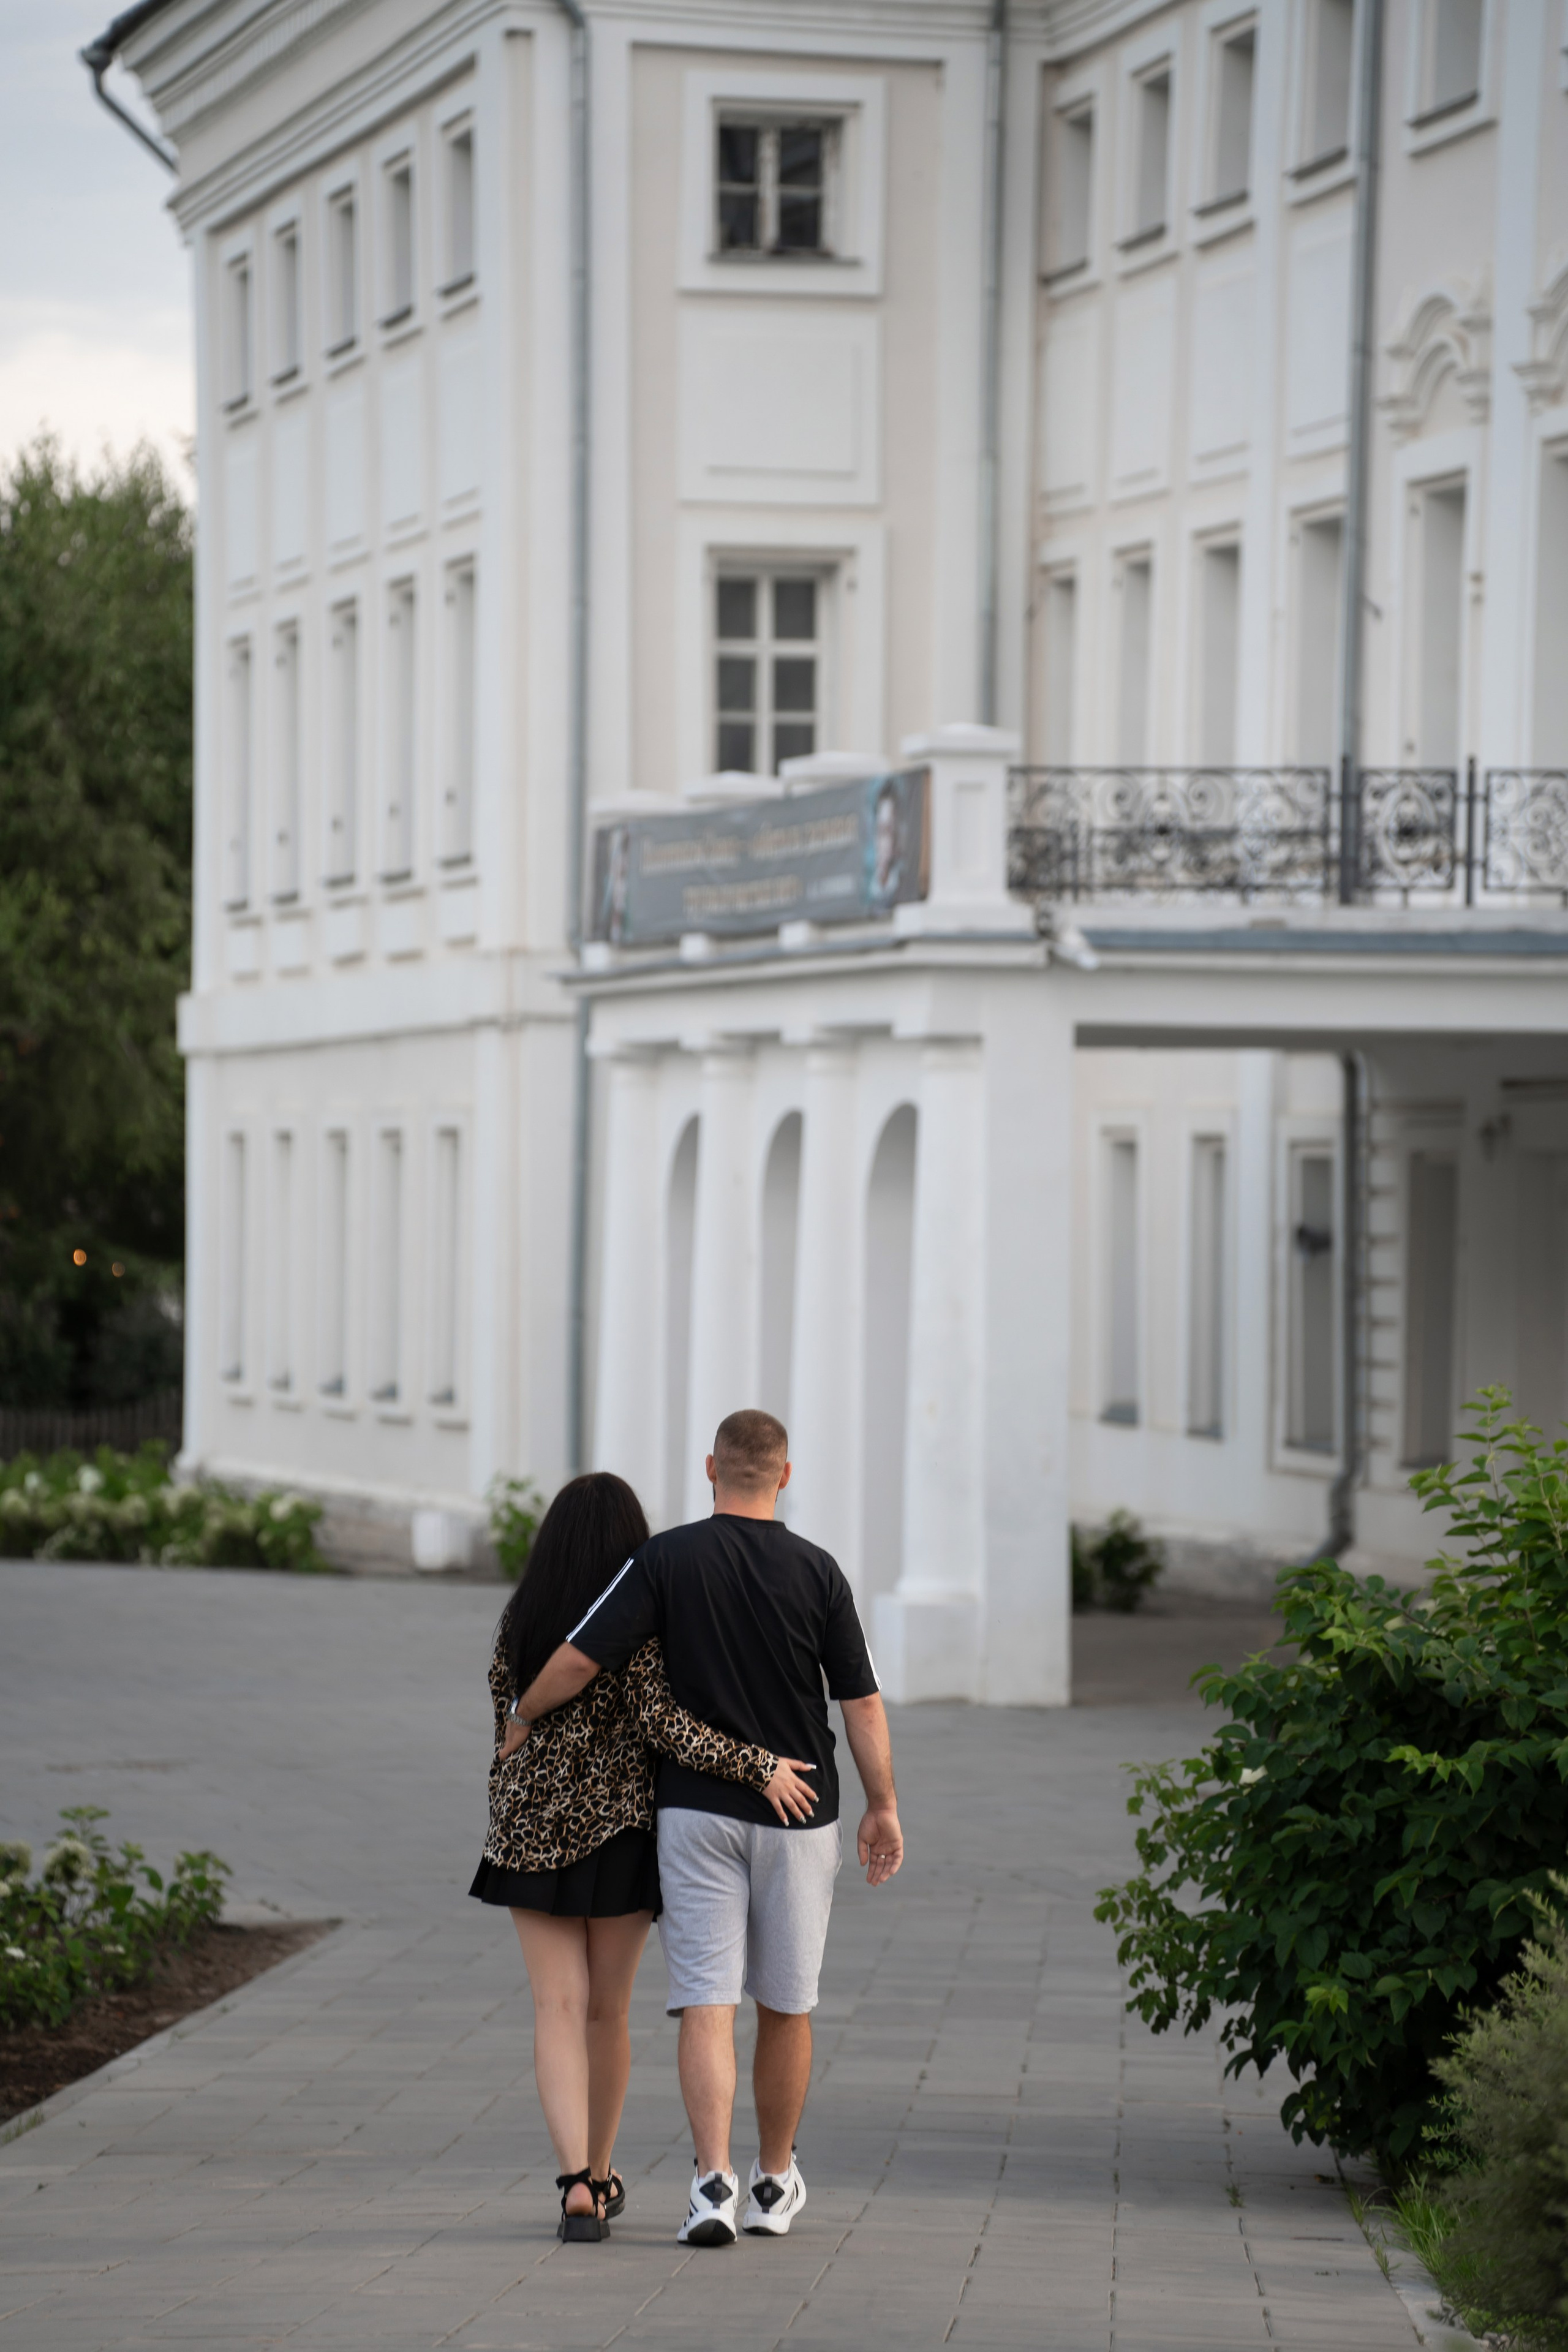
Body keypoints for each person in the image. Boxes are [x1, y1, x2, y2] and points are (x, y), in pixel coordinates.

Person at [500, 1410, 903, 2248]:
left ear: (711, 1467)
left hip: (693, 1813)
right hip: (800, 1811)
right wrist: (883, 1805)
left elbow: (579, 1657)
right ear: (785, 1476)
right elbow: (860, 1701)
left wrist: (523, 1713)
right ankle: (772, 2180)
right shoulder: (821, 1571)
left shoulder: (666, 1559)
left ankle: (709, 2183)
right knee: (786, 2005)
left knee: (706, 2003)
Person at [471, 1470, 820, 2244]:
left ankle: (575, 2185)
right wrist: (758, 1765)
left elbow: (504, 1706)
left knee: (554, 2007)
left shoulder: (521, 1617)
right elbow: (667, 1726)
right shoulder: (635, 1619)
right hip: (620, 1833)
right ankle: (601, 2168)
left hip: (527, 1833)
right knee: (607, 2010)